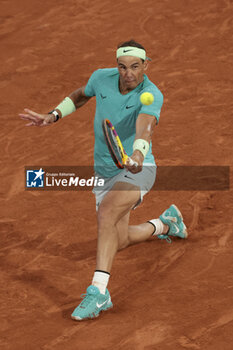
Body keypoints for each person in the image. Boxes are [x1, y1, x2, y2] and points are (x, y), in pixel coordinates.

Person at [19, 40, 188, 321]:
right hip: (104, 173)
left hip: (139, 168)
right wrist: (54, 114)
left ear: (146, 65)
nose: (128, 73)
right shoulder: (101, 77)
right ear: (116, 66)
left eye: (135, 67)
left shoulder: (151, 95)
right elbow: (81, 95)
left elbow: (144, 130)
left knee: (107, 212)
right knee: (117, 239)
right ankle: (165, 224)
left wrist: (136, 154)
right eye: (123, 67)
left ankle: (99, 294)